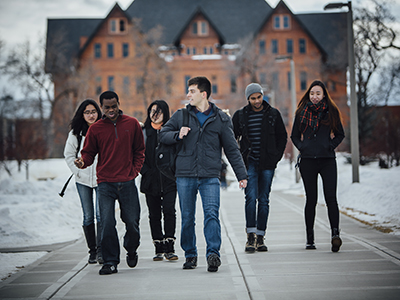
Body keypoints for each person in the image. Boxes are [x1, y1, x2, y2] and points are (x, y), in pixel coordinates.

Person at [159, 76, 247, 272]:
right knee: (188, 217)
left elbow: (232, 149)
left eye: (192, 91)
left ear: (203, 94)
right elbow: (162, 134)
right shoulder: (181, 116)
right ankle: (190, 254)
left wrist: (242, 175)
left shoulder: (221, 119)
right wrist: (177, 134)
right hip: (185, 175)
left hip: (209, 176)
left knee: (211, 215)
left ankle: (213, 253)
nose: (188, 94)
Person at [74, 91, 145, 275]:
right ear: (102, 108)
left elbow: (139, 150)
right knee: (106, 222)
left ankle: (131, 248)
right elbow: (88, 153)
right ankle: (111, 261)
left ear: (118, 104)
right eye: (107, 107)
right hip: (105, 182)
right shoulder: (96, 129)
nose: (111, 110)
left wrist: (134, 171)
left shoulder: (131, 124)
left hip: (127, 181)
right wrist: (83, 161)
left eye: (114, 106)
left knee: (132, 222)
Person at [290, 80, 345, 252]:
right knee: (311, 200)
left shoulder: (331, 112)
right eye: (312, 93)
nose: (315, 97)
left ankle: (335, 235)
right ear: (309, 94)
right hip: (308, 162)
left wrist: (329, 145)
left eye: (318, 94)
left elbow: (340, 134)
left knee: (331, 199)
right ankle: (310, 238)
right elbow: (294, 136)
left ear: (323, 95)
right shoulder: (301, 112)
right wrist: (303, 147)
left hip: (327, 160)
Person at [232, 83, 287, 253]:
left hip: (267, 163)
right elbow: (230, 139)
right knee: (250, 198)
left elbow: (282, 138)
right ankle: (250, 237)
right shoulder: (240, 116)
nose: (257, 101)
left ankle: (261, 237)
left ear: (262, 95)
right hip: (249, 163)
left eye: (259, 97)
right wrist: (238, 160)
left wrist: (275, 158)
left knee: (263, 200)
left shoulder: (273, 114)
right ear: (248, 99)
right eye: (253, 98)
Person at [64, 99, 103, 264]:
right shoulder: (75, 133)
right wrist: (77, 173)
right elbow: (68, 155)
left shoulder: (104, 129)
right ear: (82, 114)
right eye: (87, 112)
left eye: (93, 111)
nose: (91, 115)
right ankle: (92, 251)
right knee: (88, 216)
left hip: (102, 179)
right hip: (83, 180)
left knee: (101, 215)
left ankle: (101, 250)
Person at [140, 100, 178, 261]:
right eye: (152, 111)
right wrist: (145, 172)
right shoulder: (143, 132)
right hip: (150, 180)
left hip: (169, 180)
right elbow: (138, 155)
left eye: (159, 111)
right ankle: (158, 246)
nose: (155, 115)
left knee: (169, 211)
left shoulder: (171, 131)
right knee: (154, 214)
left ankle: (169, 245)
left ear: (165, 113)